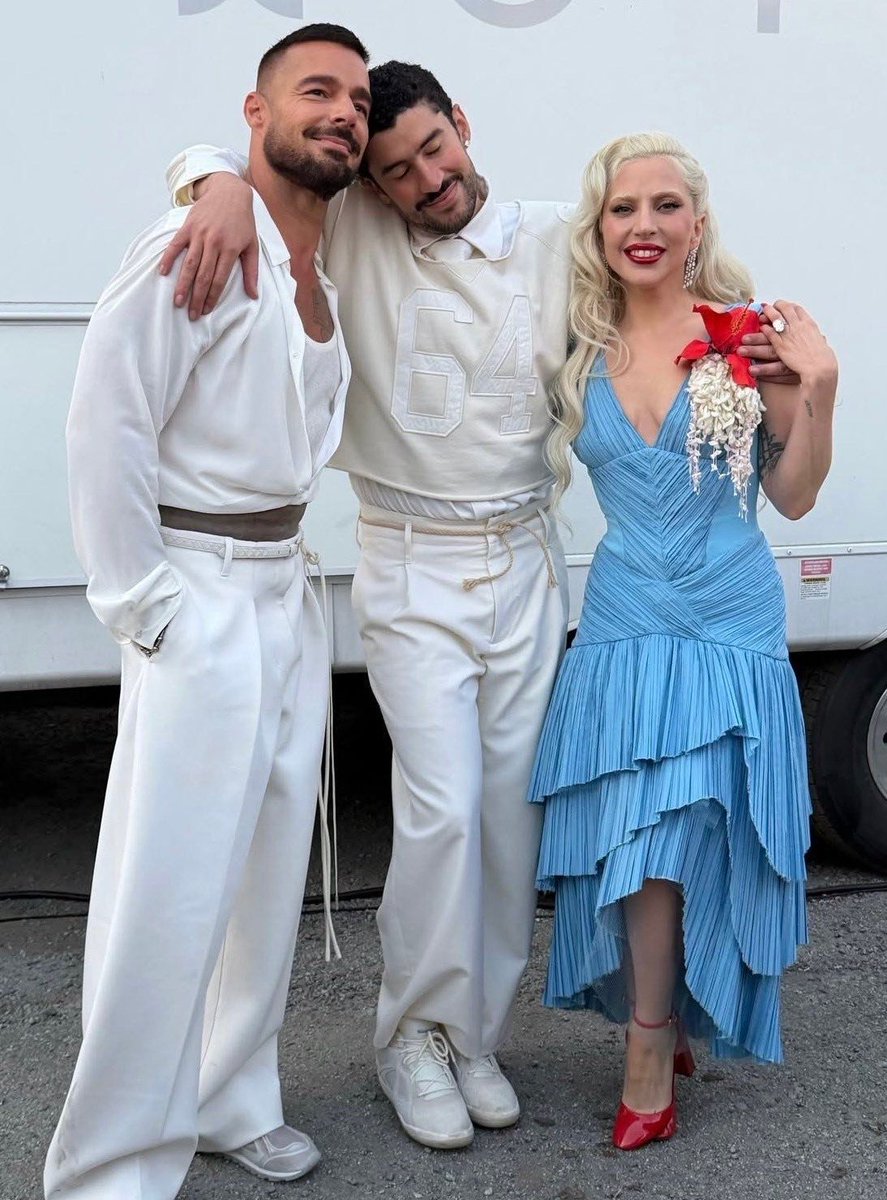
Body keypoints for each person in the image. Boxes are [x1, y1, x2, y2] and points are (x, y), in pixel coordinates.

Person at [158, 72, 798, 1151]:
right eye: (397, 170)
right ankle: (408, 1035)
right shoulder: (355, 223)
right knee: (443, 809)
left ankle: (472, 1033)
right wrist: (208, 179)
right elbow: (246, 168)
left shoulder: (561, 238)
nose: (424, 180)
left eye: (434, 152)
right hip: (409, 562)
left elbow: (676, 284)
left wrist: (793, 372)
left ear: (463, 127)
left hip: (524, 564)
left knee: (510, 820)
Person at [44, 24, 370, 1199]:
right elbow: (108, 423)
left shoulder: (311, 268)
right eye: (314, 91)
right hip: (197, 591)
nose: (340, 113)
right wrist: (143, 607)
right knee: (166, 889)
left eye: (356, 101)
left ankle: (233, 1099)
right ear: (254, 109)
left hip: (284, 595)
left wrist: (217, 172)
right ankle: (115, 1163)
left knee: (263, 871)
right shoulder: (196, 239)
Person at [529, 132, 838, 1150]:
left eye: (664, 206)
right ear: (600, 230)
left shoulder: (746, 335)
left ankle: (650, 1046)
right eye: (622, 209)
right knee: (641, 842)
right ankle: (666, 1022)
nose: (643, 225)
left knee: (692, 832)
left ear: (695, 224)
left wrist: (820, 389)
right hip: (624, 618)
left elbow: (788, 497)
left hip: (725, 612)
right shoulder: (575, 347)